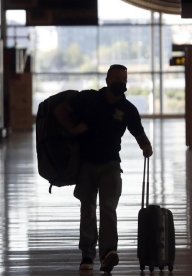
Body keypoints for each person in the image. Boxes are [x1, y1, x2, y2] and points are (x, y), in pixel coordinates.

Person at [53, 64, 153, 272]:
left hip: (111, 165)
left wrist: (146, 147)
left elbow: (139, 133)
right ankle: (87, 255)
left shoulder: (128, 110)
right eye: (115, 79)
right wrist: (72, 129)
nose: (120, 83)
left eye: (123, 80)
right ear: (107, 80)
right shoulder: (89, 100)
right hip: (86, 164)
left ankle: (108, 253)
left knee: (108, 209)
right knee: (88, 209)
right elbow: (60, 110)